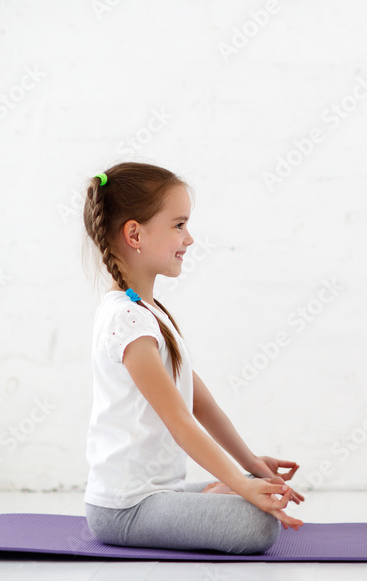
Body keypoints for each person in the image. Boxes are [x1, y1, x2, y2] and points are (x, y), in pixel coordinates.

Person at [81, 162, 303, 554]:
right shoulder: (127, 319)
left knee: (260, 496)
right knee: (259, 527)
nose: (190, 238)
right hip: (125, 508)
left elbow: (199, 403)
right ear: (135, 234)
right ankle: (223, 492)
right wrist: (241, 485)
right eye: (179, 225)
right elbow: (180, 422)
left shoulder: (149, 311)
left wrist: (251, 467)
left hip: (154, 494)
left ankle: (222, 491)